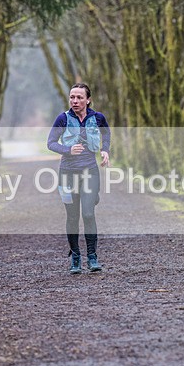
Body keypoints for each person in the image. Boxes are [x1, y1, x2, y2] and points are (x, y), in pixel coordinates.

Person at [47, 83, 111, 274]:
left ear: (88, 100)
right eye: (72, 97)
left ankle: (92, 257)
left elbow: (106, 133)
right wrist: (67, 149)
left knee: (88, 214)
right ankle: (75, 257)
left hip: (89, 171)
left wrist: (105, 149)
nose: (75, 101)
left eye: (79, 97)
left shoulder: (97, 118)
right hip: (67, 173)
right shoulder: (63, 119)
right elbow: (50, 143)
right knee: (73, 216)